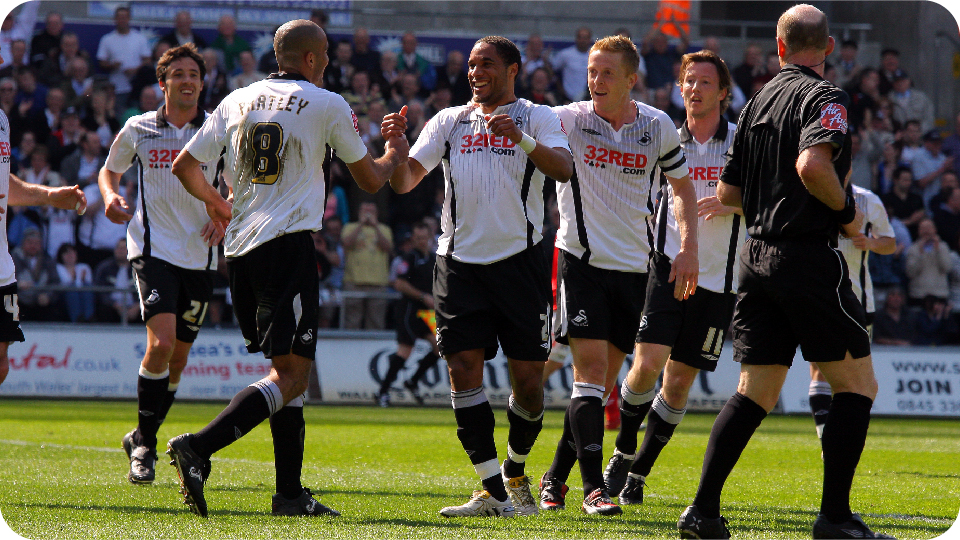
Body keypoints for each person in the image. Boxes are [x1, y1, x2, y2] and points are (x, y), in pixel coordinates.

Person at [168, 19, 407, 518]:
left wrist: (219, 204)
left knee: (285, 372)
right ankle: (199, 447)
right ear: (314, 58)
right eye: (326, 56)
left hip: (240, 254)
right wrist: (392, 154)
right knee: (294, 377)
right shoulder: (326, 102)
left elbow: (184, 166)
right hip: (288, 248)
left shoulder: (236, 99)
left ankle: (290, 494)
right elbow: (368, 181)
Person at [678, 6, 892, 539]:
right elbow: (813, 165)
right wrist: (845, 213)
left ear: (778, 46)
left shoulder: (755, 103)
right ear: (831, 46)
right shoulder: (826, 98)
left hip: (756, 256)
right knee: (858, 386)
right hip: (805, 256)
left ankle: (701, 513)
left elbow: (728, 194)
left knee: (755, 391)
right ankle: (836, 520)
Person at [383, 35, 572, 518]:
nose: (475, 72)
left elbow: (565, 168)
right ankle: (493, 490)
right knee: (463, 370)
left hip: (522, 264)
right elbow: (405, 182)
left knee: (529, 382)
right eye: (471, 64)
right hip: (459, 265)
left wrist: (522, 139)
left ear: (513, 70)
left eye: (486, 63)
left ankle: (514, 470)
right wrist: (398, 148)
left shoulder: (537, 116)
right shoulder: (449, 121)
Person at [538, 36, 697, 517]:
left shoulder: (657, 125)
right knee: (587, 376)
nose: (596, 80)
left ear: (633, 79)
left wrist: (687, 248)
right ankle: (594, 490)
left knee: (601, 385)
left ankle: (553, 480)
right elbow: (523, 121)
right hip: (580, 262)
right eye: (591, 71)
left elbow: (684, 189)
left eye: (607, 72)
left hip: (634, 271)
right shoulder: (567, 119)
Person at [597, 48, 744, 510]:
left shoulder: (743, 142)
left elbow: (777, 196)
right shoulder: (663, 137)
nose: (695, 89)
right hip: (666, 266)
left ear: (723, 93)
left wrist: (732, 203)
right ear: (679, 89)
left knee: (678, 382)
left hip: (720, 278)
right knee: (646, 364)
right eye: (688, 81)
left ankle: (639, 471)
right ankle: (622, 451)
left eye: (705, 82)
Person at [97, 44, 224, 486]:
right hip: (152, 249)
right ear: (162, 82)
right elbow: (109, 171)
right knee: (161, 344)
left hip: (201, 256)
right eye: (178, 74)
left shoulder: (216, 129)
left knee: (178, 359)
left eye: (194, 73)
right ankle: (147, 449)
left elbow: (238, 185)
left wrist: (225, 215)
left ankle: (139, 436)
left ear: (202, 83)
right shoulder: (140, 128)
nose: (187, 80)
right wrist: (111, 197)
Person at [0, 39, 86, 386]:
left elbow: (7, 185)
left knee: (1, 360)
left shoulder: (2, 121)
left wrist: (51, 196)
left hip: (2, 269)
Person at [807, 184, 895, 441]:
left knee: (857, 377)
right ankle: (827, 440)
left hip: (859, 302)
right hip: (820, 300)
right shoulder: (810, 193)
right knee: (820, 368)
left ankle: (841, 437)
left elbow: (890, 243)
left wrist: (870, 242)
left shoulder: (867, 200)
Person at [374, 221, 440, 406]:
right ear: (412, 239)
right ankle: (382, 392)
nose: (421, 241)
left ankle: (413, 381)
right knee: (405, 349)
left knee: (440, 347)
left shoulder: (434, 259)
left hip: (428, 313)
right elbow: (399, 284)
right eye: (418, 238)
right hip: (410, 310)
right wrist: (422, 296)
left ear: (429, 238)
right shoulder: (408, 258)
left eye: (424, 238)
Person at [341, 201, 392, 330]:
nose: (368, 215)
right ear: (359, 213)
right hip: (353, 282)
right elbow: (346, 243)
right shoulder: (349, 227)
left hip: (378, 283)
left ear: (377, 214)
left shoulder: (384, 229)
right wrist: (361, 224)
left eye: (372, 212)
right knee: (351, 322)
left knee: (376, 322)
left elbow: (387, 247)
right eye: (365, 211)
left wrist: (375, 226)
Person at [96, 6, 151, 114]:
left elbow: (148, 60)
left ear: (129, 18)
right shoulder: (107, 39)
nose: (122, 20)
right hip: (116, 88)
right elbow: (101, 62)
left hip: (136, 88)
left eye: (124, 17)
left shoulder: (139, 38)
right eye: (119, 17)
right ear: (115, 19)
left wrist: (136, 70)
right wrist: (112, 65)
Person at [552, 27, 592, 102]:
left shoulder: (595, 55)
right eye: (580, 37)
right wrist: (560, 88)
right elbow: (552, 69)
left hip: (588, 99)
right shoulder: (565, 54)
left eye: (585, 38)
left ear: (590, 40)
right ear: (576, 39)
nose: (583, 41)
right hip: (567, 98)